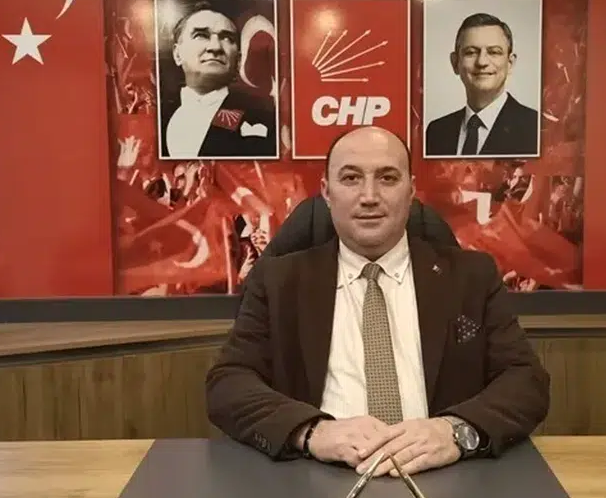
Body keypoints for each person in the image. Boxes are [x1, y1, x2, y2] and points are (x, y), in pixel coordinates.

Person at [204, 125, 550, 476]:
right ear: (326, 192)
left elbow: (526, 381)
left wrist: (454, 431)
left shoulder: (471, 277)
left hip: (442, 475)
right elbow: (228, 384)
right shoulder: (279, 281)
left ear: (411, 191)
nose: (369, 196)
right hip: (318, 477)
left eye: (387, 178)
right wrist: (313, 432)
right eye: (351, 178)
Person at [160, 0, 277, 160]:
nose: (215, 47)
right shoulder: (157, 115)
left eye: (227, 38)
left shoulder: (266, 114)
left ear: (238, 59)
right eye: (201, 35)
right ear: (177, 54)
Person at [424, 12, 540, 158]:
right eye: (471, 52)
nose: (482, 62)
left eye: (494, 52)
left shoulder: (537, 128)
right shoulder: (436, 132)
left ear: (510, 63)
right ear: (455, 63)